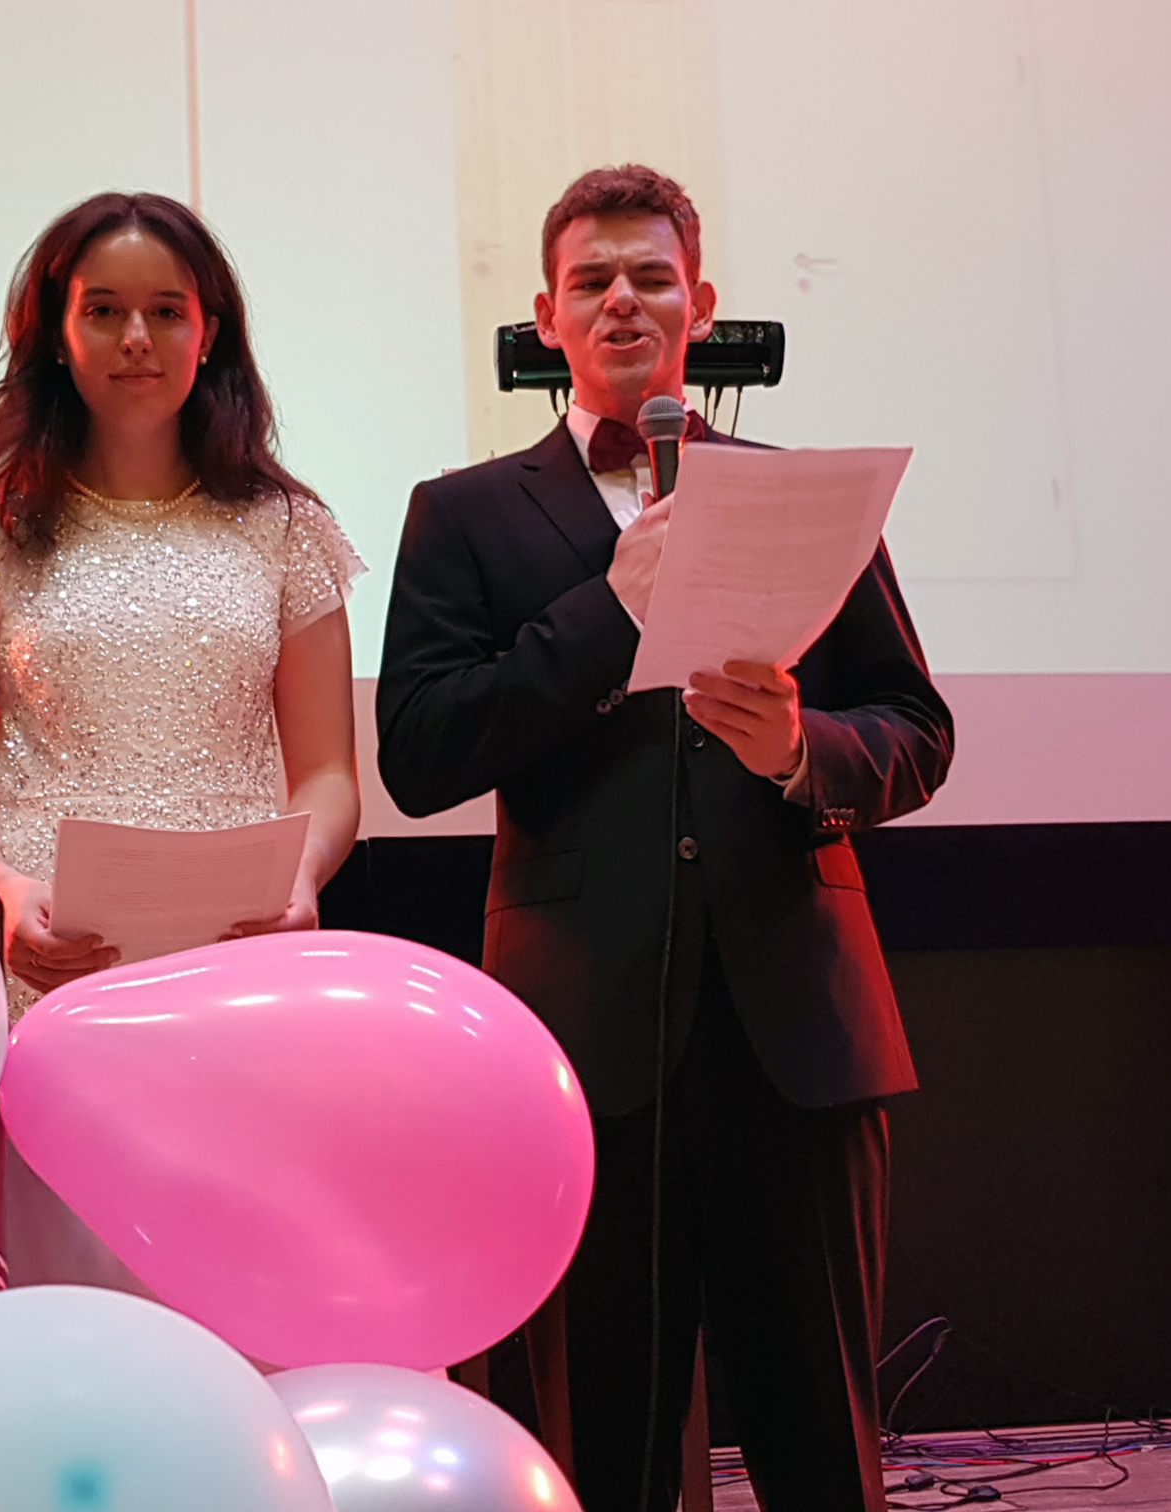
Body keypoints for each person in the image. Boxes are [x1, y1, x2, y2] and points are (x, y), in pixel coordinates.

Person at [375, 165, 953, 1512]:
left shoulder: (801, 495)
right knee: (607, 1449)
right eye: (592, 280)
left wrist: (802, 748)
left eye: (651, 276)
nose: (622, 300)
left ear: (700, 303)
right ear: (546, 316)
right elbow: (420, 750)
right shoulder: (463, 512)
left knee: (824, 1449)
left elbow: (915, 728)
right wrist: (608, 612)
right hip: (583, 1035)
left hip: (796, 1029)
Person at [0, 191, 364, 1290]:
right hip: (53, 971)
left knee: (237, 1290)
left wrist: (300, 875)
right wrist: (4, 890)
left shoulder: (288, 531)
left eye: (165, 311)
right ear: (57, 334)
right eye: (103, 310)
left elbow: (332, 773)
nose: (136, 338)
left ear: (210, 333)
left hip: (241, 959)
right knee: (67, 1304)